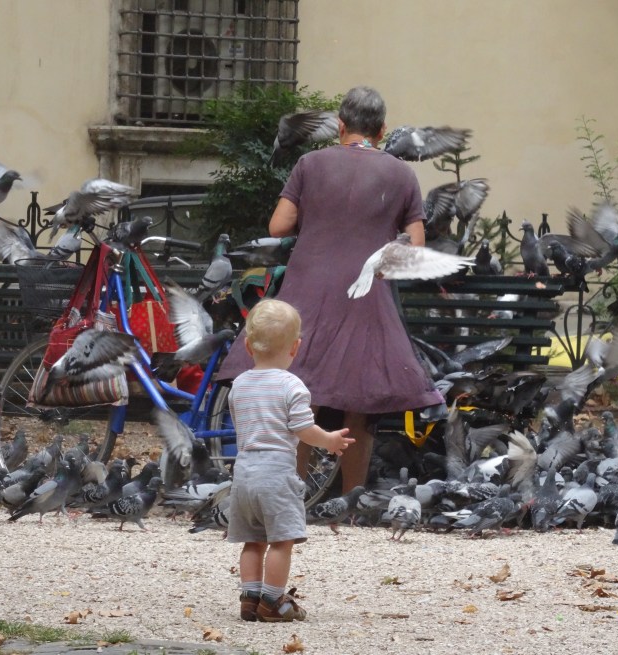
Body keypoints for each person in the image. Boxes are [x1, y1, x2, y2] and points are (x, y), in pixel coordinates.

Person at [218, 85, 444, 493]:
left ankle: (290, 493)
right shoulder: (401, 174)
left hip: (308, 291)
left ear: (340, 126)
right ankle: (351, 501)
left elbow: (278, 226)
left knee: (303, 390)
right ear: (382, 130)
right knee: (361, 401)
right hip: (365, 296)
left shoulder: (310, 163)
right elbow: (415, 247)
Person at [229, 298, 355, 622]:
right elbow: (303, 429)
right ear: (296, 347)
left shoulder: (239, 385)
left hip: (243, 473)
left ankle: (249, 598)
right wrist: (329, 440)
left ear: (248, 346)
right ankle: (272, 601)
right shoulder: (291, 386)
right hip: (275, 474)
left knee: (252, 541)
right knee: (281, 541)